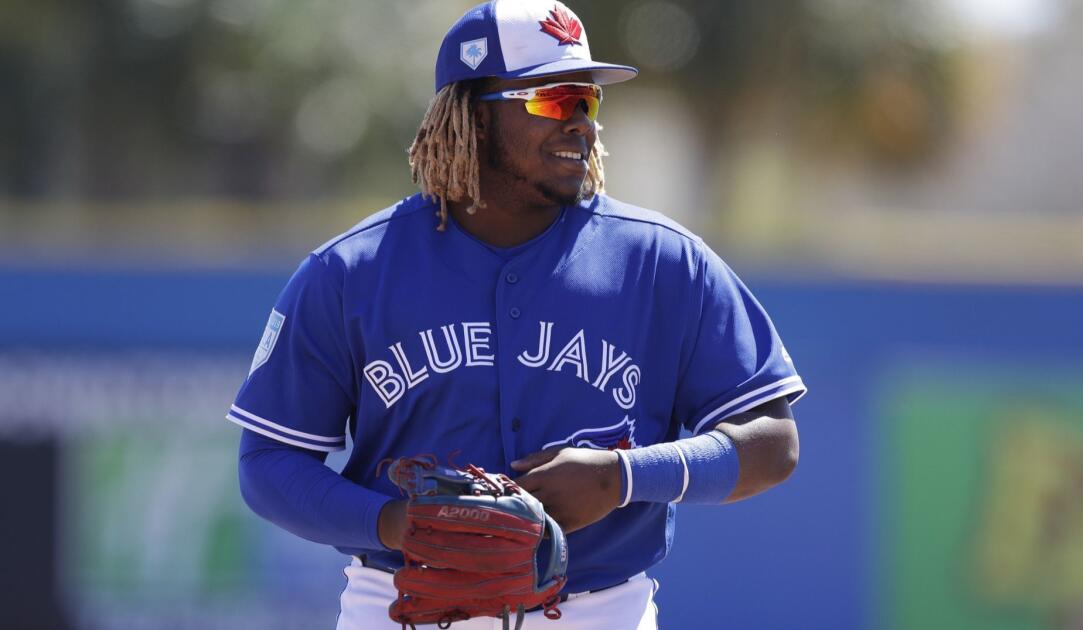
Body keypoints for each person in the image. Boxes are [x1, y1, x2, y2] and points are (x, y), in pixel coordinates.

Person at [227, 1, 806, 628]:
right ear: (472, 116)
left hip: (599, 610)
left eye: (587, 101)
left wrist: (624, 475)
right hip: (403, 606)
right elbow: (268, 463)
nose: (580, 123)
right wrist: (395, 523)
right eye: (553, 101)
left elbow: (772, 444)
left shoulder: (662, 261)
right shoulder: (351, 271)